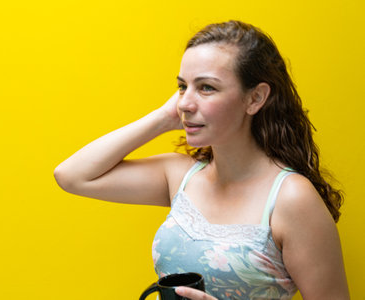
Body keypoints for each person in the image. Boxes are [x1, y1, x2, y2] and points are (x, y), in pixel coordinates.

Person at [54, 20, 349, 299]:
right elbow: (72, 176)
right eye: (183, 86)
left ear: (255, 98)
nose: (185, 102)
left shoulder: (291, 198)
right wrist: (163, 118)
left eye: (207, 87)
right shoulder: (180, 175)